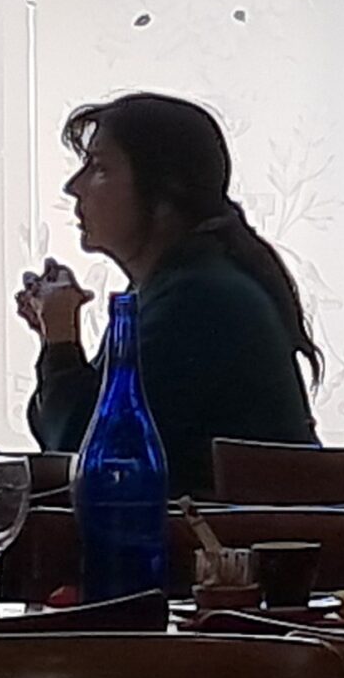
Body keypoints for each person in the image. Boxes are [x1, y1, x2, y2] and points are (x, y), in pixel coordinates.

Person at [17, 92, 320, 497]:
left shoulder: (200, 301)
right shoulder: (174, 286)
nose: (74, 186)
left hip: (235, 547)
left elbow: (93, 455)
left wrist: (60, 343)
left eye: (100, 167)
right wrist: (54, 340)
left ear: (165, 193)